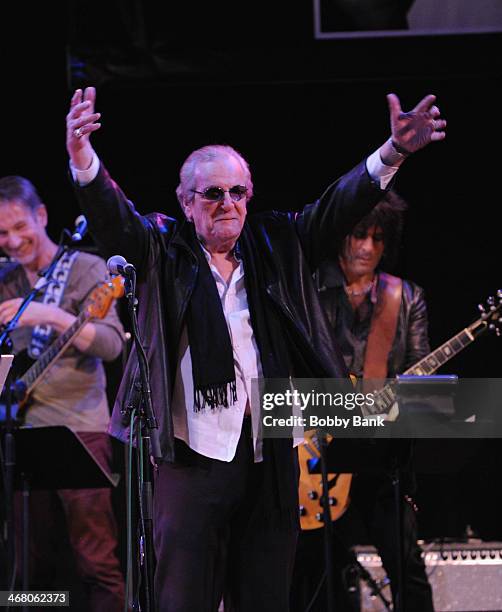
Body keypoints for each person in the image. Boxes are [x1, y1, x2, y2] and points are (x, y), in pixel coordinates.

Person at [65, 85, 445, 611]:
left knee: (265, 596)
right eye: (213, 193)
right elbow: (113, 217)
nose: (228, 204)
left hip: (270, 452)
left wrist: (394, 151)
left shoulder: (277, 244)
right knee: (181, 599)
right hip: (190, 454)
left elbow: (339, 205)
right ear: (185, 200)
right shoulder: (160, 248)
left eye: (238, 192)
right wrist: (83, 158)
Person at [294, 190, 433, 611]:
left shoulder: (405, 298)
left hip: (378, 456)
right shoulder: (309, 288)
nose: (367, 247)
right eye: (358, 235)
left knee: (407, 566)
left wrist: (400, 402)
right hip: (313, 458)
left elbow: (420, 387)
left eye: (377, 238)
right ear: (341, 236)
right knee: (311, 577)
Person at [0, 176, 126, 611]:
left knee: (95, 562)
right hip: (21, 437)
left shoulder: (86, 268)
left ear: (41, 216)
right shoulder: (6, 279)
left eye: (20, 227)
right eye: (2, 234)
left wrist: (50, 316)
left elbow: (112, 345)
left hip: (80, 433)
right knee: (27, 566)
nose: (13, 241)